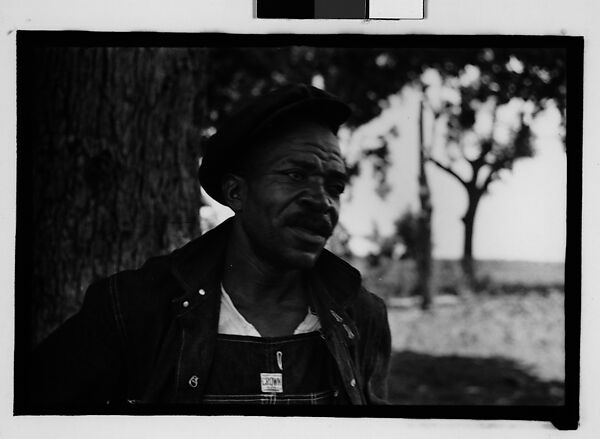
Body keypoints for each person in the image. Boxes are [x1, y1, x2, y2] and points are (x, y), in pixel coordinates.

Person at [29, 83, 391, 408]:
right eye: (296, 175)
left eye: (335, 186)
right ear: (237, 192)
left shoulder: (360, 317)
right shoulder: (133, 309)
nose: (322, 201)